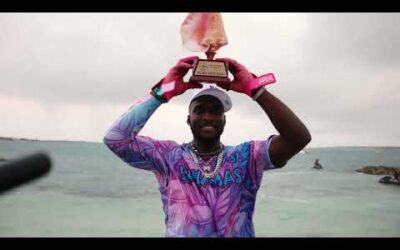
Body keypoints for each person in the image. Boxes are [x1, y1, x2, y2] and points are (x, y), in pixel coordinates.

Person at [103, 56, 311, 237]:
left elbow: (298, 139)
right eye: (200, 110)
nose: (207, 117)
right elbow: (115, 139)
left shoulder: (247, 157)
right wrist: (162, 92)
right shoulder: (167, 157)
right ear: (188, 119)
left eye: (215, 111)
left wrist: (256, 90)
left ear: (224, 120)